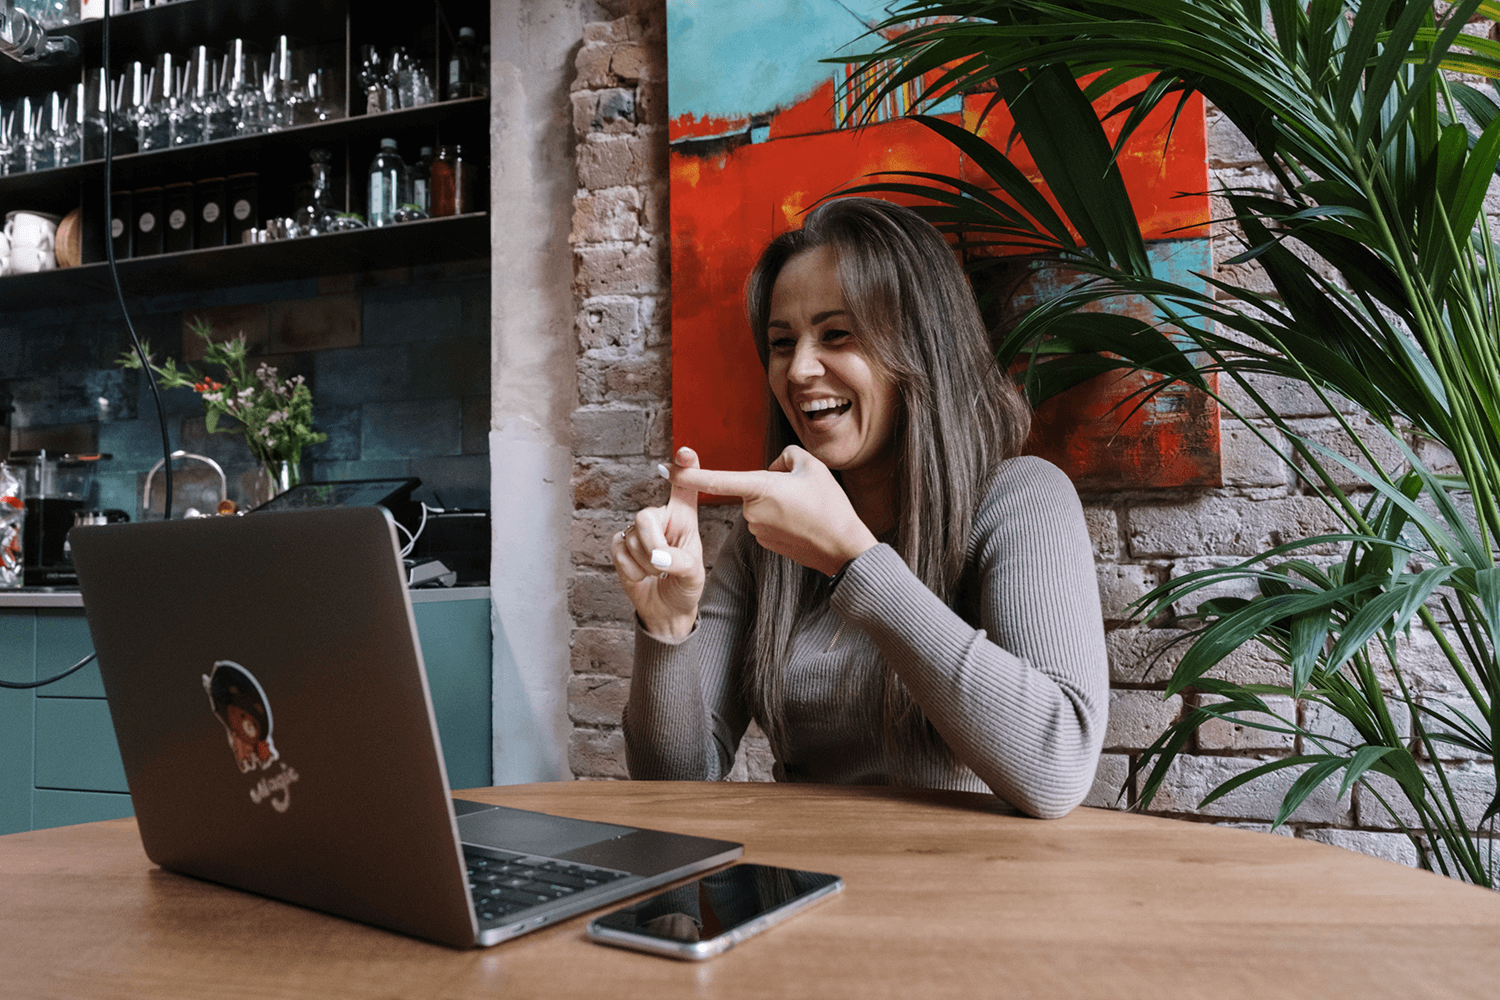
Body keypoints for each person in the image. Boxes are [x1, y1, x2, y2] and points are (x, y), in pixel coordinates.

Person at [611, 197, 1108, 819]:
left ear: (921, 346)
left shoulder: (1021, 499)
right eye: (781, 342)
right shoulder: (767, 538)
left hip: (973, 900)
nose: (800, 370)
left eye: (836, 334)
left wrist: (854, 561)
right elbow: (675, 788)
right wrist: (667, 628)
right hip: (802, 896)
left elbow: (1058, 771)